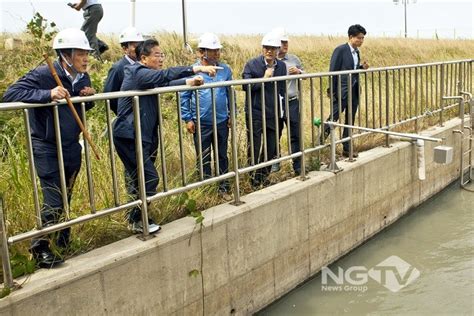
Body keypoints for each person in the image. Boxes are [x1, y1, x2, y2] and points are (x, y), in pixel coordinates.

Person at [2, 28, 96, 268]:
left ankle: (63, 241)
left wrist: (89, 96)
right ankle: (40, 247)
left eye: (87, 53)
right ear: (65, 54)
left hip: (71, 144)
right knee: (53, 197)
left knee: (67, 195)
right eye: (81, 54)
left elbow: (80, 107)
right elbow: (10, 94)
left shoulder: (82, 77)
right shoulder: (45, 73)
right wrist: (47, 94)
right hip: (46, 145)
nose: (86, 58)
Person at [113, 39, 221, 233]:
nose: (161, 59)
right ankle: (136, 219)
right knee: (149, 178)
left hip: (143, 135)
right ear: (144, 58)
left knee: (140, 178)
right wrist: (195, 69)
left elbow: (165, 80)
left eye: (162, 55)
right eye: (157, 55)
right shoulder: (136, 73)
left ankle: (138, 218)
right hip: (129, 135)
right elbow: (164, 75)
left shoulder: (147, 75)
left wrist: (188, 82)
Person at [180, 33, 233, 201]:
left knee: (222, 155)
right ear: (202, 52)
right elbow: (184, 96)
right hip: (201, 123)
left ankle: (223, 186)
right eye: (213, 50)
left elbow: (230, 93)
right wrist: (188, 118)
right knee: (203, 156)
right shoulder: (194, 71)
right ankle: (207, 188)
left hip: (222, 121)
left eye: (218, 50)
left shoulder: (225, 70)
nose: (217, 53)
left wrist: (232, 114)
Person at [242, 32, 287, 188]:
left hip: (273, 112)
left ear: (278, 50)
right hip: (255, 112)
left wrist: (282, 111)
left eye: (273, 48)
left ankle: (262, 176)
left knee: (272, 146)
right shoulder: (252, 64)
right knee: (254, 146)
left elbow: (281, 90)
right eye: (267, 48)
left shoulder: (281, 66)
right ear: (262, 48)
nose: (270, 51)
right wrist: (264, 78)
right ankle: (252, 178)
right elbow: (246, 87)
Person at [322, 24, 369, 157]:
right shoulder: (341, 50)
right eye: (359, 38)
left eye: (363, 38)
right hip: (341, 90)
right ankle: (320, 142)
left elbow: (351, 69)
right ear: (351, 37)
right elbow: (333, 70)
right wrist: (332, 90)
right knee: (334, 117)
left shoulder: (357, 52)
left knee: (350, 119)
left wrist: (361, 67)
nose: (361, 41)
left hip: (353, 90)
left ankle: (347, 148)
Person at [271, 27, 304, 176]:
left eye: (286, 43)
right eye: (282, 42)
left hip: (292, 101)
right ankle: (274, 163)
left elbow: (305, 75)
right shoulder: (270, 61)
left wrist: (299, 72)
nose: (285, 45)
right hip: (275, 102)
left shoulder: (294, 59)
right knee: (275, 133)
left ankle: (297, 166)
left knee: (295, 134)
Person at [104, 26, 144, 115]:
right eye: (135, 46)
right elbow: (109, 95)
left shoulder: (144, 65)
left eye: (141, 45)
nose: (139, 49)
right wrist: (123, 113)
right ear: (125, 49)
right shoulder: (117, 68)